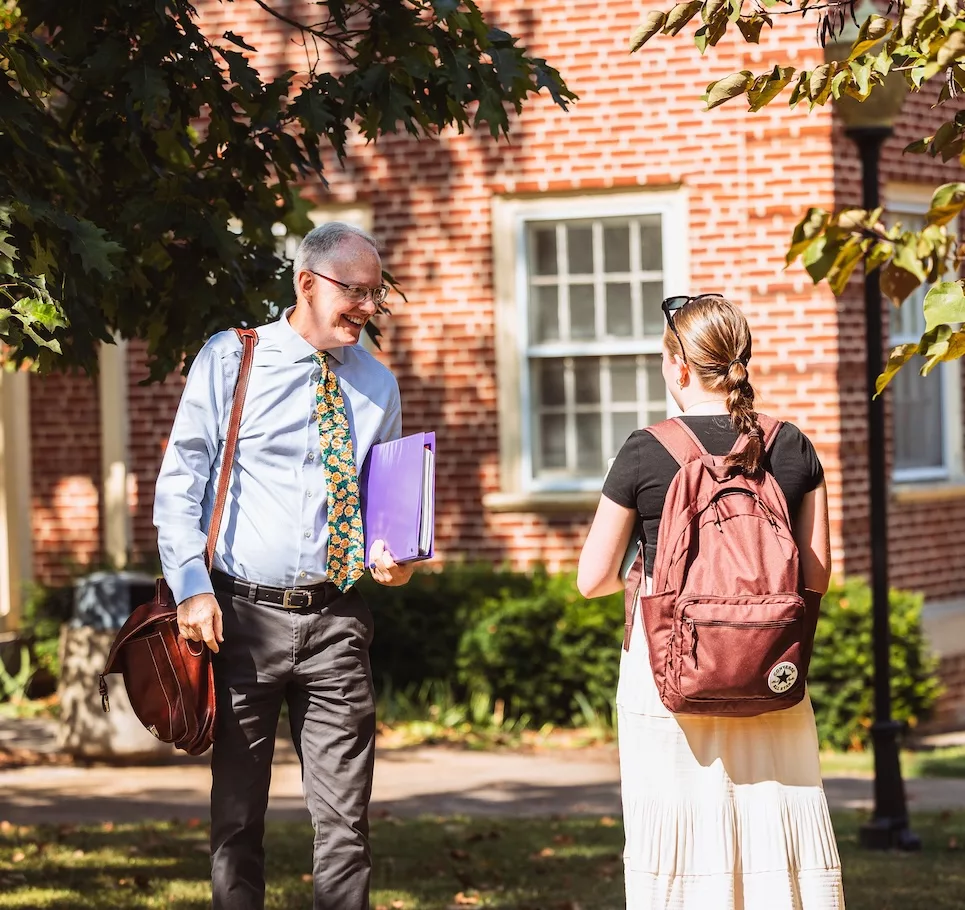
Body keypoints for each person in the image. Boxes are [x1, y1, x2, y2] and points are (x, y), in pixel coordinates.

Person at [154, 222, 414, 910]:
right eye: (356, 292)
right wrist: (191, 588)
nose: (368, 307)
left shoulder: (377, 384)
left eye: (376, 294)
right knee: (237, 820)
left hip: (337, 623)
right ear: (307, 283)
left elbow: (383, 507)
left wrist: (395, 556)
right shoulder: (231, 359)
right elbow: (180, 484)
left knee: (346, 825)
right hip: (239, 619)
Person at [577, 294, 843, 910]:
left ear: (679, 366)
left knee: (677, 825)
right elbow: (817, 576)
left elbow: (592, 578)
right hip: (769, 667)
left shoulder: (644, 449)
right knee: (773, 818)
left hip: (669, 669)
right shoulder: (793, 445)